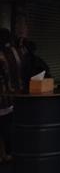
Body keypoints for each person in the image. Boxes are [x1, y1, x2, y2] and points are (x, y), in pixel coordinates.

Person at [0, 28, 24, 160]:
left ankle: (5, 153)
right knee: (10, 124)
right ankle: (10, 152)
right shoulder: (17, 52)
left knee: (4, 125)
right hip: (16, 94)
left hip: (4, 96)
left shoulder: (2, 56)